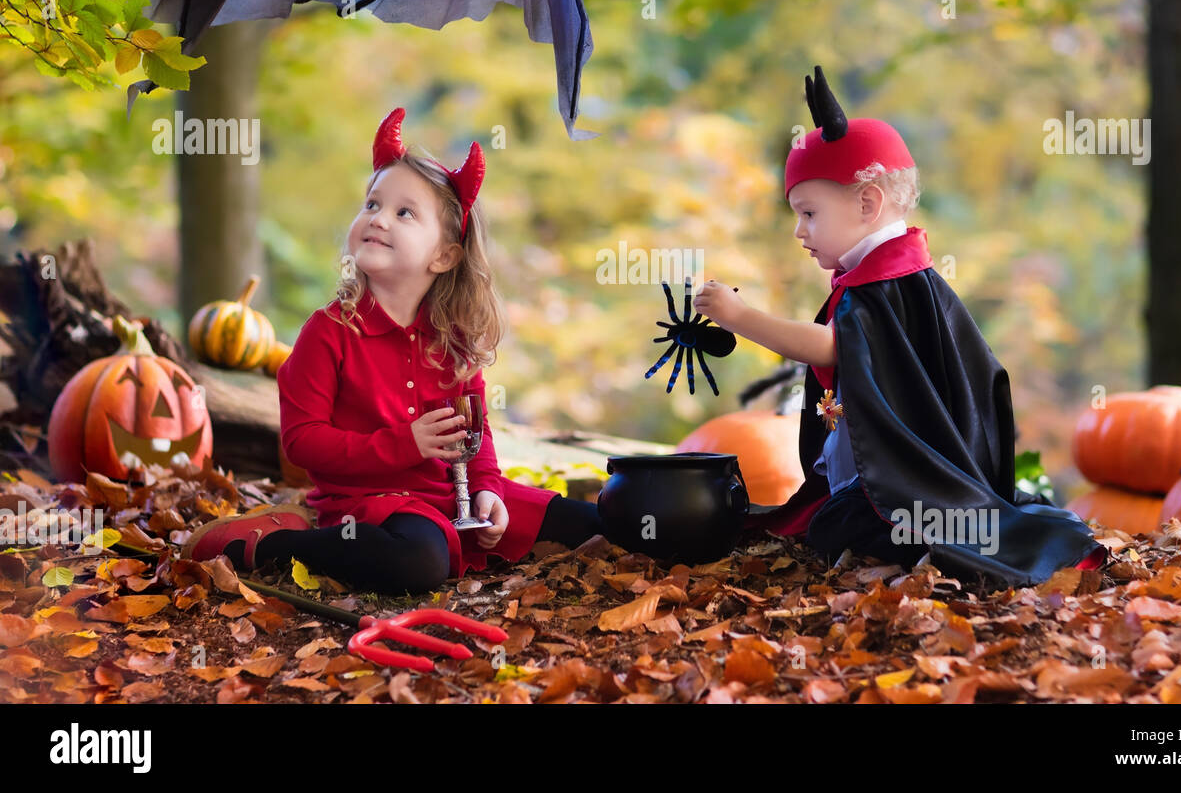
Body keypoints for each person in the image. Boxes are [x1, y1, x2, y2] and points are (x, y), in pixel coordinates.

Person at [693, 66, 1106, 589]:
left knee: (851, 528)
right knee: (832, 523)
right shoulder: (883, 277)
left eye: (809, 213)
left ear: (867, 203)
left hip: (907, 489)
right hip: (877, 471)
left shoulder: (890, 284)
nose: (799, 231)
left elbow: (829, 348)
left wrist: (740, 316)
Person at [182, 108, 604, 593]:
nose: (378, 219)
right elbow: (302, 443)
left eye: (404, 213)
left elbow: (477, 435)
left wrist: (488, 492)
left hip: (452, 497)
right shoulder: (329, 332)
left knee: (586, 520)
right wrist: (405, 443)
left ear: (444, 256)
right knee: (418, 564)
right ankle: (266, 544)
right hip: (372, 501)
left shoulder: (453, 338)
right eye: (372, 204)